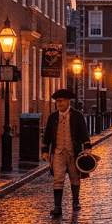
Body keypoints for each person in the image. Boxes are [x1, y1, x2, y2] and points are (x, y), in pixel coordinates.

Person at [41, 89, 91, 217]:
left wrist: (87, 147)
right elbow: (47, 136)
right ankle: (57, 207)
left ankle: (75, 201)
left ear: (68, 101)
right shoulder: (52, 117)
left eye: (62, 101)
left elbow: (84, 132)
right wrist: (45, 151)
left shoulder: (77, 115)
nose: (59, 104)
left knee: (74, 177)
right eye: (57, 101)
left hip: (73, 152)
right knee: (58, 179)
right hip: (58, 152)